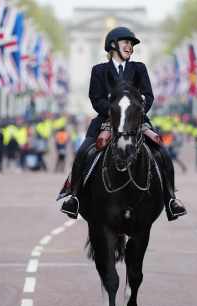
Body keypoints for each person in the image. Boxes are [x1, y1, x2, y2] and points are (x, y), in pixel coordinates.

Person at [58, 26, 187, 221]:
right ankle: (74, 198)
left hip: (136, 120)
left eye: (131, 44)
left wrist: (137, 111)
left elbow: (149, 95)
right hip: (106, 122)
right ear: (113, 46)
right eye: (126, 43)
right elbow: (95, 97)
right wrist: (113, 113)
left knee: (162, 153)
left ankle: (171, 199)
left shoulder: (139, 68)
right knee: (84, 152)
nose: (129, 47)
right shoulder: (99, 70)